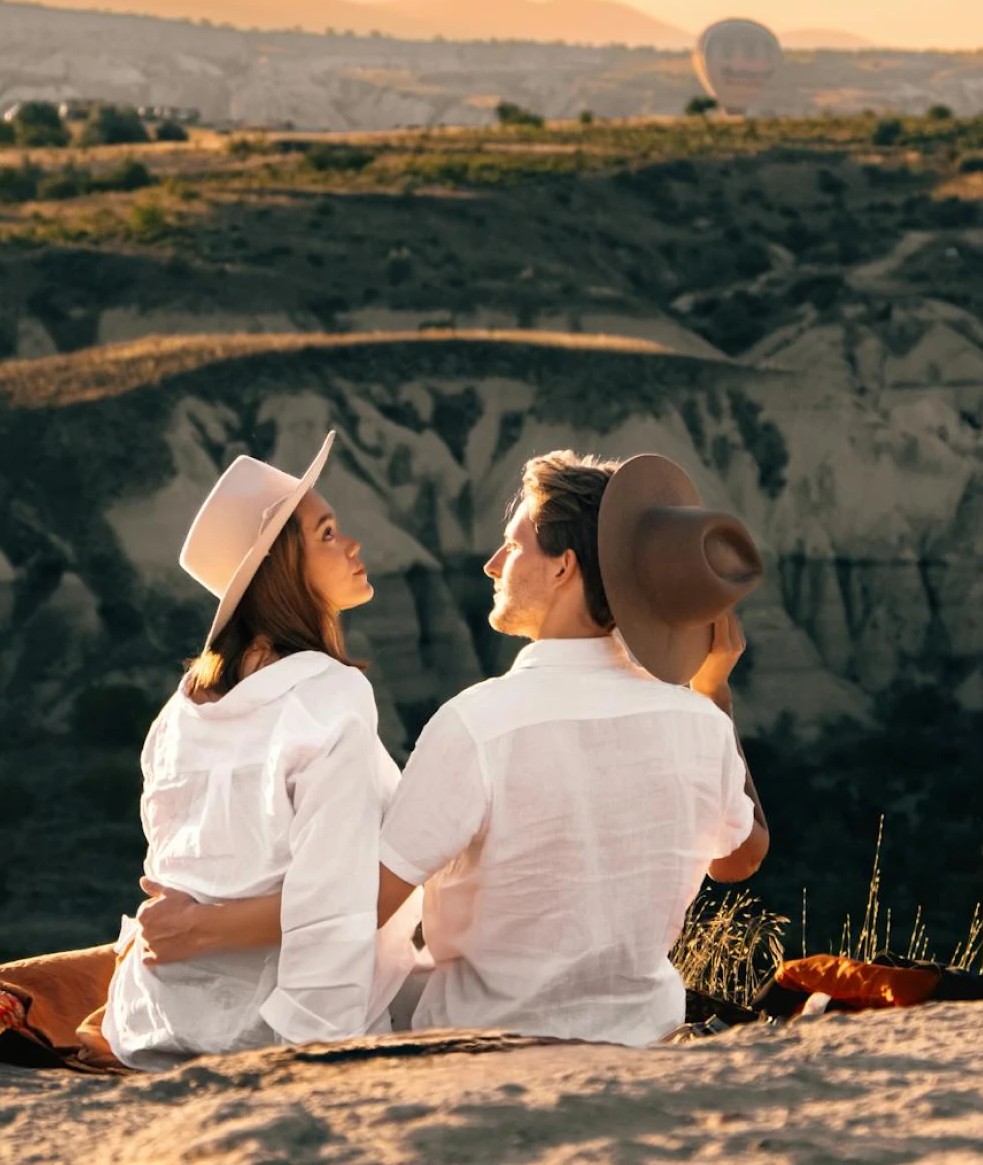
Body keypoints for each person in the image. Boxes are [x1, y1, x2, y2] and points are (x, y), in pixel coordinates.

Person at [143, 448, 770, 1046]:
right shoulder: (699, 722)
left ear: (562, 567)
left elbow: (358, 907)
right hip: (644, 1034)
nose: (493, 564)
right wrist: (712, 692)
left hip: (484, 1042)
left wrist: (205, 926)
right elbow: (739, 858)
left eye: (514, 545)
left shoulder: (476, 725)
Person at [94, 430, 420, 1065]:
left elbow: (184, 883)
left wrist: (202, 929)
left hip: (157, 1015)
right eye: (326, 533)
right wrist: (315, 1047)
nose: (352, 544)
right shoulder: (331, 695)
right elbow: (331, 897)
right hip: (269, 1025)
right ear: (280, 570)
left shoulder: (179, 712)